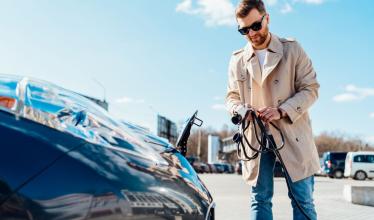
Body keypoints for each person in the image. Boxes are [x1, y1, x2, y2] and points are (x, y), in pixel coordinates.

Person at [225, 0, 320, 219]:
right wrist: (241, 110)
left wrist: (282, 110)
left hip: (292, 134)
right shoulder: (237, 59)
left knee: (302, 200)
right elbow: (231, 97)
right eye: (244, 29)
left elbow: (311, 89)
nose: (251, 33)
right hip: (256, 138)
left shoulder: (292, 49)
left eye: (255, 26)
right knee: (259, 200)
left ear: (267, 18)